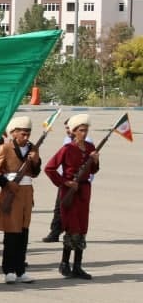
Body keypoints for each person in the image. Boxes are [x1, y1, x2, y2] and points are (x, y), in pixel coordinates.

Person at [0, 116, 42, 285]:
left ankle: (21, 270)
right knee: (11, 233)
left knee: (24, 232)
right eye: (23, 134)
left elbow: (35, 172)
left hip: (26, 193)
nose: (26, 137)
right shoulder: (5, 148)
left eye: (28, 134)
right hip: (11, 191)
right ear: (13, 133)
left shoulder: (33, 148)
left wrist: (35, 161)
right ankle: (9, 269)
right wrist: (6, 183)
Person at [44, 114, 98, 280]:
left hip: (84, 191)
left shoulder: (90, 147)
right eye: (81, 130)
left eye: (86, 129)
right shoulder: (66, 149)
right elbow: (49, 168)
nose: (84, 132)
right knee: (72, 227)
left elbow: (93, 170)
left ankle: (78, 266)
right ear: (74, 132)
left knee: (82, 227)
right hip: (69, 192)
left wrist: (95, 160)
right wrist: (65, 182)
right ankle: (65, 263)